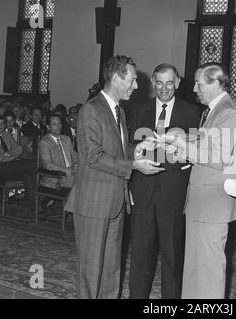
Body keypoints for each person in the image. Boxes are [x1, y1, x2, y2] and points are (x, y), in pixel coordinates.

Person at [69, 55, 165, 299]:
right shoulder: (91, 109)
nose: (136, 86)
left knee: (112, 268)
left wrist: (138, 149)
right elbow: (93, 156)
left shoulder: (119, 111)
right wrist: (133, 165)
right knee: (91, 270)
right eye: (132, 80)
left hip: (116, 201)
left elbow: (117, 151)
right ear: (115, 78)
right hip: (93, 202)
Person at [158, 62, 236, 299]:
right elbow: (209, 142)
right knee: (196, 268)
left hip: (213, 203)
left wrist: (183, 147)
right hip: (202, 202)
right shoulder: (214, 110)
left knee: (208, 271)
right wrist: (185, 137)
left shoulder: (228, 111)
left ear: (216, 83)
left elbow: (219, 157)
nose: (194, 88)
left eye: (199, 83)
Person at [127, 63, 202, 299]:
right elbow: (128, 147)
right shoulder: (137, 110)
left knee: (172, 258)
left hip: (174, 194)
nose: (164, 89)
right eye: (159, 83)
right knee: (139, 256)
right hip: (142, 194)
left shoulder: (194, 113)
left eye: (170, 83)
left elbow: (200, 151)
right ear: (152, 82)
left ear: (178, 83)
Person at [0, 115, 36, 210]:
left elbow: (18, 149)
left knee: (27, 174)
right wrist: (9, 157)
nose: (0, 125)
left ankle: (34, 204)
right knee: (31, 165)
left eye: (2, 123)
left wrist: (8, 154)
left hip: (11, 167)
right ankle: (42, 194)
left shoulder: (6, 135)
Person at [39, 114, 78, 189]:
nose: (58, 126)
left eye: (60, 123)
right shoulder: (45, 143)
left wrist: (77, 165)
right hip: (55, 177)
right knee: (79, 181)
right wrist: (69, 171)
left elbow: (75, 156)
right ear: (48, 126)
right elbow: (48, 165)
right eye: (54, 124)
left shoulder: (66, 139)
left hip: (71, 174)